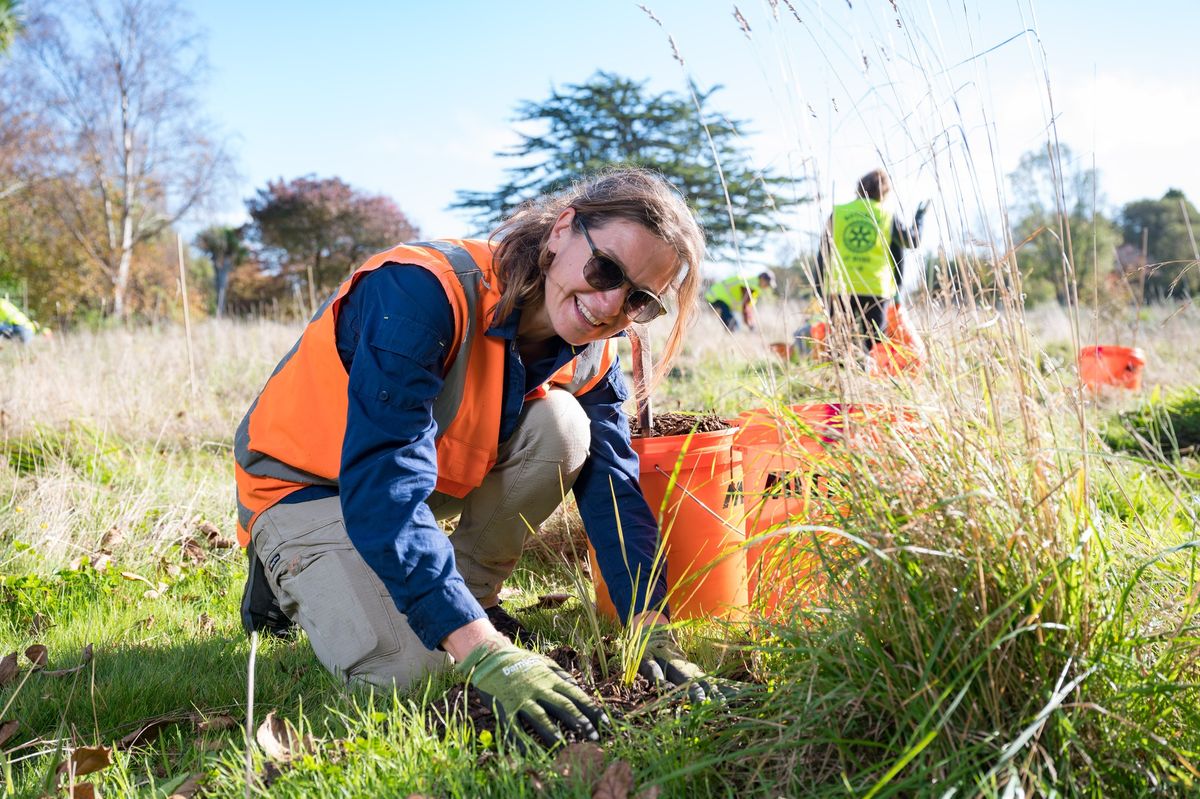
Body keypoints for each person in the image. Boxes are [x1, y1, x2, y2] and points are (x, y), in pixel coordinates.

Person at [235, 168, 737, 748]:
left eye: (639, 300)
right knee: (416, 674)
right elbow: (384, 484)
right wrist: (482, 650)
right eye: (606, 271)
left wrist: (649, 626)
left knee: (567, 429)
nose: (608, 305)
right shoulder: (422, 291)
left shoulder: (595, 350)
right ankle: (287, 567)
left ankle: (465, 602)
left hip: (421, 478)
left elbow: (616, 492)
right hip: (307, 485)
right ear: (562, 232)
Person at [817, 168, 926, 357]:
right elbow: (912, 241)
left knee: (838, 342)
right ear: (884, 192)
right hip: (874, 289)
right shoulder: (886, 215)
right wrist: (919, 218)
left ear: (859, 188)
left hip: (839, 287)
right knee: (875, 345)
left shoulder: (839, 213)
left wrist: (819, 288)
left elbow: (823, 253)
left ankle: (838, 382)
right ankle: (871, 381)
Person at [704, 271, 776, 331]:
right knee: (733, 326)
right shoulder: (751, 286)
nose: (767, 287)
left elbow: (748, 307)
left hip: (720, 298)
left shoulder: (754, 285)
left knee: (733, 325)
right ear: (762, 279)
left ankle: (728, 337)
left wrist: (750, 322)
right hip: (716, 297)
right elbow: (745, 306)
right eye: (767, 283)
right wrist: (750, 325)